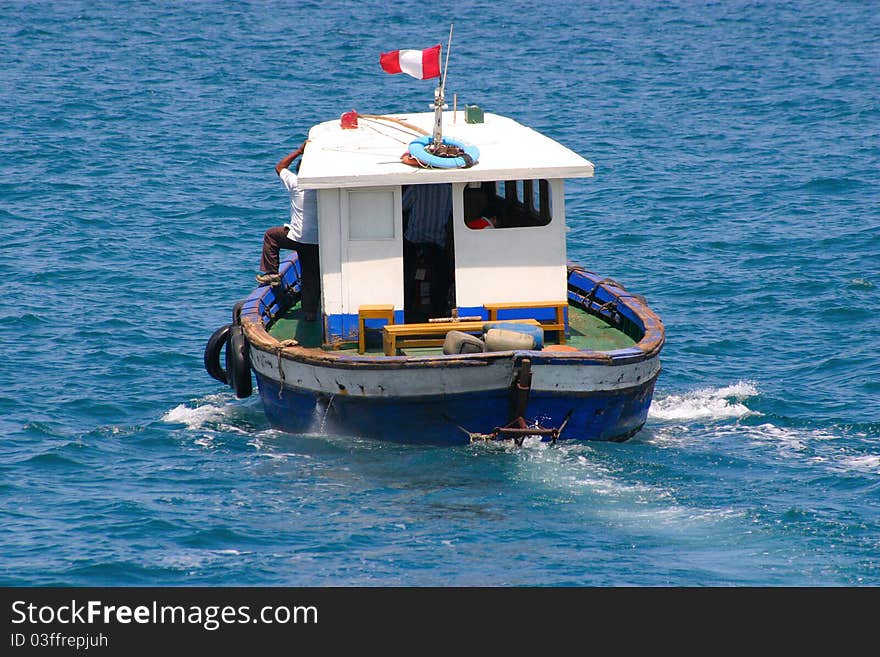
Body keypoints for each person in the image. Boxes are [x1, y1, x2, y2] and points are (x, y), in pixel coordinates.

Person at [257, 141, 320, 321]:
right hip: (319, 240)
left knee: (271, 235)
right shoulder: (324, 188)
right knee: (310, 275)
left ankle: (271, 274)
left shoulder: (295, 183)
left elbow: (280, 166)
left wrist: (299, 151)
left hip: (299, 238)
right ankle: (309, 313)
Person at [402, 183, 453, 321]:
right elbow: (451, 213)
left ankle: (408, 309)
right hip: (437, 243)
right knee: (442, 280)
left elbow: (402, 206)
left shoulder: (416, 188)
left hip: (414, 240)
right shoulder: (447, 190)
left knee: (407, 277)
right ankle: (439, 310)